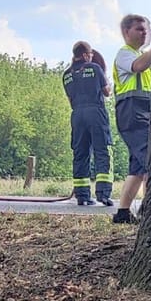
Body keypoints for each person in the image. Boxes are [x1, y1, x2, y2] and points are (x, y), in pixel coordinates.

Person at [110, 14, 151, 225]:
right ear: (126, 32)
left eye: (146, 29)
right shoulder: (125, 54)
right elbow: (139, 66)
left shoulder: (140, 55)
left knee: (137, 168)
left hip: (142, 112)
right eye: (139, 29)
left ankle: (122, 213)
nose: (144, 33)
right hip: (132, 111)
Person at [62, 41, 113, 206]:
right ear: (85, 55)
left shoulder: (66, 75)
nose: (91, 57)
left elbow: (70, 101)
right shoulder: (95, 68)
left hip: (77, 114)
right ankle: (103, 194)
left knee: (80, 153)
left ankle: (82, 196)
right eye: (90, 54)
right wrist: (109, 82)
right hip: (95, 112)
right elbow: (107, 92)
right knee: (103, 150)